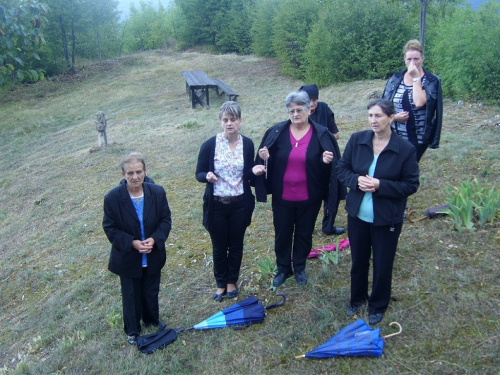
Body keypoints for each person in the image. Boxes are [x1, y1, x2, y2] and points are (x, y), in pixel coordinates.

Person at [337, 99, 419, 325]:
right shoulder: (357, 140)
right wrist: (356, 180)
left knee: (383, 263)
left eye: (379, 116)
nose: (373, 120)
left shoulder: (405, 149)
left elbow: (411, 184)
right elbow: (341, 169)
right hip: (358, 215)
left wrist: (380, 185)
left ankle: (378, 305)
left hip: (386, 218)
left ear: (391, 118)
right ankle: (357, 299)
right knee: (358, 260)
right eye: (370, 115)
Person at [253, 91, 339, 287]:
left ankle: (299, 267)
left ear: (309, 109)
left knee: (304, 233)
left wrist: (326, 162)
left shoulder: (322, 134)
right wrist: (266, 159)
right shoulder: (276, 132)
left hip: (310, 196)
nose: (295, 114)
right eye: (291, 111)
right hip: (283, 197)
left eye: (299, 109)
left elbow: (331, 169)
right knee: (282, 234)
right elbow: (267, 164)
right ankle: (283, 269)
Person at [103, 152, 171, 345]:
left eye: (139, 172)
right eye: (130, 173)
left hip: (152, 253)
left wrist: (155, 239)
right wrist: (132, 242)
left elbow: (166, 220)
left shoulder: (157, 192)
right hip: (128, 257)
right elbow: (110, 227)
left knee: (151, 290)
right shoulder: (113, 198)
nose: (135, 177)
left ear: (145, 171)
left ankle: (151, 320)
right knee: (131, 294)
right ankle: (132, 330)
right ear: (122, 174)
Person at [195, 101, 256, 302]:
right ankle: (221, 283)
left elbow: (247, 173)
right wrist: (207, 176)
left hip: (240, 203)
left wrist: (255, 170)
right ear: (221, 122)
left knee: (236, 244)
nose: (229, 123)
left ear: (240, 121)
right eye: (225, 120)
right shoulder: (210, 144)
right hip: (217, 204)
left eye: (233, 119)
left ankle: (232, 281)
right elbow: (199, 173)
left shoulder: (247, 144)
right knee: (219, 246)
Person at [381, 39, 443, 163]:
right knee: (394, 167)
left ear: (422, 59)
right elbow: (383, 106)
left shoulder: (430, 80)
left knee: (407, 167)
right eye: (409, 59)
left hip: (419, 137)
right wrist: (394, 117)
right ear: (404, 59)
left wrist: (416, 77)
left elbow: (419, 103)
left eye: (416, 59)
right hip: (395, 134)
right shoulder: (396, 78)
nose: (412, 63)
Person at [299, 84, 346, 236]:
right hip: (308, 161)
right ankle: (305, 225)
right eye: (308, 100)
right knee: (308, 193)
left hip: (328, 158)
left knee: (332, 191)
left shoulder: (324, 109)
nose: (312, 103)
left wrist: (324, 140)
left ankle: (328, 226)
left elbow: (336, 134)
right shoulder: (298, 112)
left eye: (314, 100)